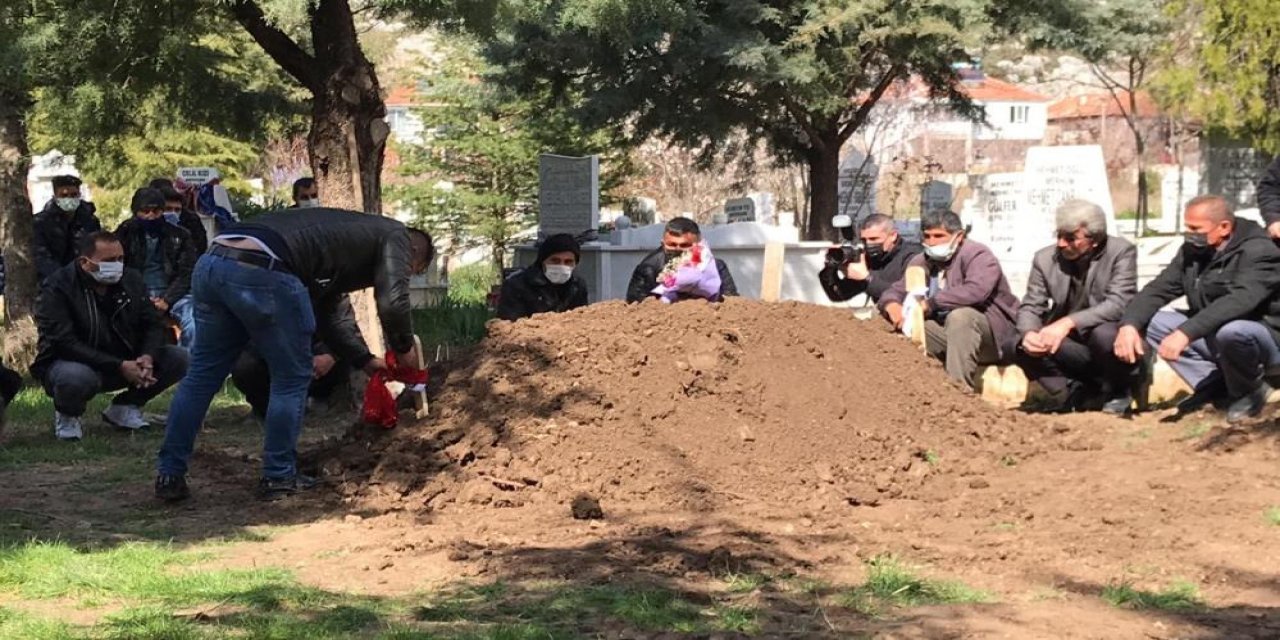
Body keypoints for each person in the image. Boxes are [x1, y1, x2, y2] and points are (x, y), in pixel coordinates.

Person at [155, 208, 434, 502]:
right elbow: (393, 302)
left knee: (202, 375)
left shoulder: (340, 243)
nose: (405, 275)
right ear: (415, 252)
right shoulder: (398, 236)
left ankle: (169, 474)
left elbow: (328, 316)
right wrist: (403, 350)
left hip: (213, 264)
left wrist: (365, 361)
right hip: (264, 271)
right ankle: (278, 476)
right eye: (411, 270)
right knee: (291, 377)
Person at [1115, 195, 1280, 422]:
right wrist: (1129, 324)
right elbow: (1159, 289)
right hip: (1215, 332)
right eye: (1187, 227)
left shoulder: (1260, 251)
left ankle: (1250, 391)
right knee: (1154, 322)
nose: (1190, 234)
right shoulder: (1193, 251)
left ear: (1224, 227)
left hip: (1264, 337)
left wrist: (1185, 333)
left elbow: (1240, 301)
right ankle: (1215, 387)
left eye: (1195, 228)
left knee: (1233, 331)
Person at [30, 232, 189, 441]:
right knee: (75, 378)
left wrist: (147, 356)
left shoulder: (131, 280)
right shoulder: (57, 288)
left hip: (126, 359)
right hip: (74, 363)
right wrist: (119, 365)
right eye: (109, 261)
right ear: (85, 263)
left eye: (120, 259)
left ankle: (125, 407)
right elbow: (63, 342)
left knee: (180, 358)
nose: (117, 265)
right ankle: (68, 414)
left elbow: (152, 324)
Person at [1015, 200, 1139, 414]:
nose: (1062, 244)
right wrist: (1028, 333)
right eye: (1059, 236)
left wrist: (1069, 322)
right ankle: (1073, 389)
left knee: (1104, 335)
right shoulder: (1045, 259)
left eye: (1070, 238)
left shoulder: (1121, 252)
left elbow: (1118, 303)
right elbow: (1032, 304)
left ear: (1095, 239)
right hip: (1069, 342)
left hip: (1103, 334)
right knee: (1016, 343)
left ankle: (1118, 391)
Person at [879, 210, 1019, 390]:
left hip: (993, 336)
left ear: (959, 236)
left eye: (939, 236)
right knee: (911, 325)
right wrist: (892, 306)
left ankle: (959, 391)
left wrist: (930, 304)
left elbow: (976, 290)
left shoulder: (977, 254)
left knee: (961, 317)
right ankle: (913, 390)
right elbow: (896, 290)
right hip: (951, 337)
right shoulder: (921, 261)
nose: (932, 241)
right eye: (927, 236)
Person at [231, 294, 362, 421]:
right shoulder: (265, 286)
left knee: (347, 352)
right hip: (277, 357)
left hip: (319, 357)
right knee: (245, 365)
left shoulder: (329, 283)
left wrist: (331, 355)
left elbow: (346, 326)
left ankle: (320, 398)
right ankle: (265, 408)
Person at [116, 188, 199, 348]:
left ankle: (189, 367)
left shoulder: (180, 236)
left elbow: (187, 273)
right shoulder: (125, 234)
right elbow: (120, 270)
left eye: (156, 211)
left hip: (175, 294)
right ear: (135, 212)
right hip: (135, 292)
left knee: (194, 322)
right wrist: (141, 296)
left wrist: (167, 300)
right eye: (145, 211)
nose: (151, 216)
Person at [625, 217, 738, 303]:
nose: (678, 250)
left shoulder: (716, 267)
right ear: (663, 243)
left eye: (685, 245)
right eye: (672, 245)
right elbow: (635, 305)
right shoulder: (648, 269)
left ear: (699, 245)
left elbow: (731, 301)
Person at [818, 214, 923, 305]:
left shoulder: (912, 256)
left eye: (874, 239)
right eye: (864, 240)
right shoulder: (870, 259)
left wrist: (867, 278)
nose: (868, 244)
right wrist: (831, 269)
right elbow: (838, 295)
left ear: (893, 236)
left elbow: (910, 297)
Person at [497, 233, 590, 321]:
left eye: (568, 262)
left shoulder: (577, 286)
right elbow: (509, 324)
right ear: (542, 261)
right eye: (555, 261)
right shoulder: (517, 285)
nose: (562, 266)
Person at [33, 175, 102, 283]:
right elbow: (41, 257)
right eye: (64, 195)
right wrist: (63, 277)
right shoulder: (41, 222)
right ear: (55, 196)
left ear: (79, 194)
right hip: (53, 282)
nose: (69, 199)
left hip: (85, 280)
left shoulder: (90, 221)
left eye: (74, 195)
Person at [150, 180, 209, 254]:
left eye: (177, 210)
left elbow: (199, 247)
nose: (173, 213)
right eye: (168, 209)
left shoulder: (191, 221)